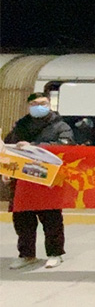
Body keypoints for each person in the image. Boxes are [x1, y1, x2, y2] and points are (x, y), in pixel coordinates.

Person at [3, 92, 74, 270]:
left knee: (51, 219)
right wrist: (5, 170)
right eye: (35, 104)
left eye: (43, 103)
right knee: (22, 219)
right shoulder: (20, 125)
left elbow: (66, 147)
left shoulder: (60, 126)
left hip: (47, 180)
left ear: (49, 104)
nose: (39, 107)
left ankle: (55, 253)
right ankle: (26, 254)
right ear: (28, 106)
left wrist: (34, 147)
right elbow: (8, 148)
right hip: (22, 180)